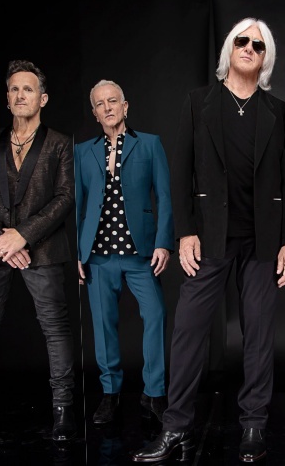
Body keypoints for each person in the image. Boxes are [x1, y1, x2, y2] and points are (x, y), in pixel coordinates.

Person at [131, 17, 285, 464]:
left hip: (263, 241)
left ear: (266, 58)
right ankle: (176, 427)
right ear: (230, 48)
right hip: (209, 237)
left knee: (258, 334)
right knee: (188, 330)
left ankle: (253, 425)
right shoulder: (198, 102)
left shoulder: (279, 111)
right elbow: (180, 172)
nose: (249, 48)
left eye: (258, 45)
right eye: (242, 41)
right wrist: (184, 232)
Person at [0, 60, 76, 441]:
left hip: (43, 247)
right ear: (7, 99)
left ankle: (63, 410)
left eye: (28, 89)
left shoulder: (60, 143)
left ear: (43, 98)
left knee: (55, 329)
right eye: (14, 89)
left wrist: (22, 236)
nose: (21, 95)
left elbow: (65, 197)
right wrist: (1, 239)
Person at [75, 79, 174, 425]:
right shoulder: (83, 151)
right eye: (100, 104)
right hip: (98, 255)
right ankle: (110, 393)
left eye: (113, 101)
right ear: (94, 113)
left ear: (125, 106)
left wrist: (163, 242)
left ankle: (154, 393)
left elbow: (164, 197)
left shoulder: (149, 144)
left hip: (140, 254)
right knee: (103, 326)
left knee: (156, 315)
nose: (107, 108)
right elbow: (78, 205)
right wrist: (79, 252)